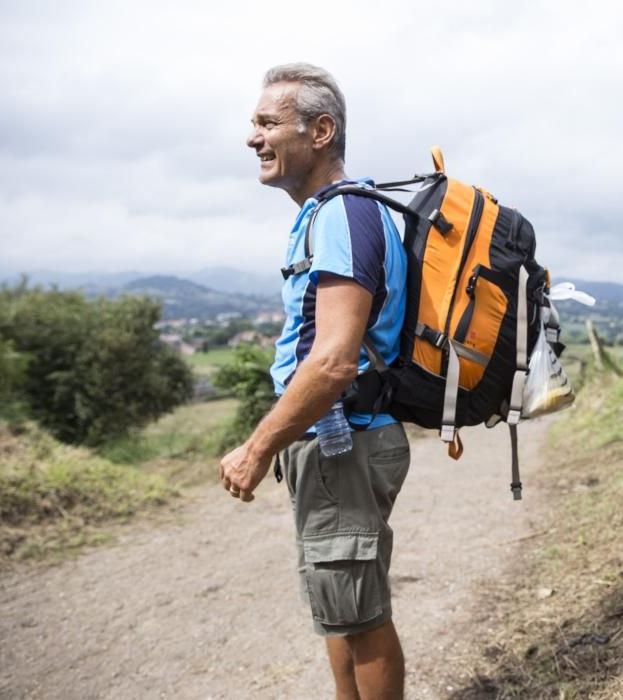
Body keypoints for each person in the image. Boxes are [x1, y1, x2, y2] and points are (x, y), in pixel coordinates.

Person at [219, 63, 409, 700]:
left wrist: (257, 447)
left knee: (361, 613)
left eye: (268, 122)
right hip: (333, 440)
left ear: (321, 131)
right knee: (339, 608)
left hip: (344, 439)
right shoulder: (325, 214)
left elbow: (332, 361)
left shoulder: (344, 215)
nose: (254, 137)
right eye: (255, 123)